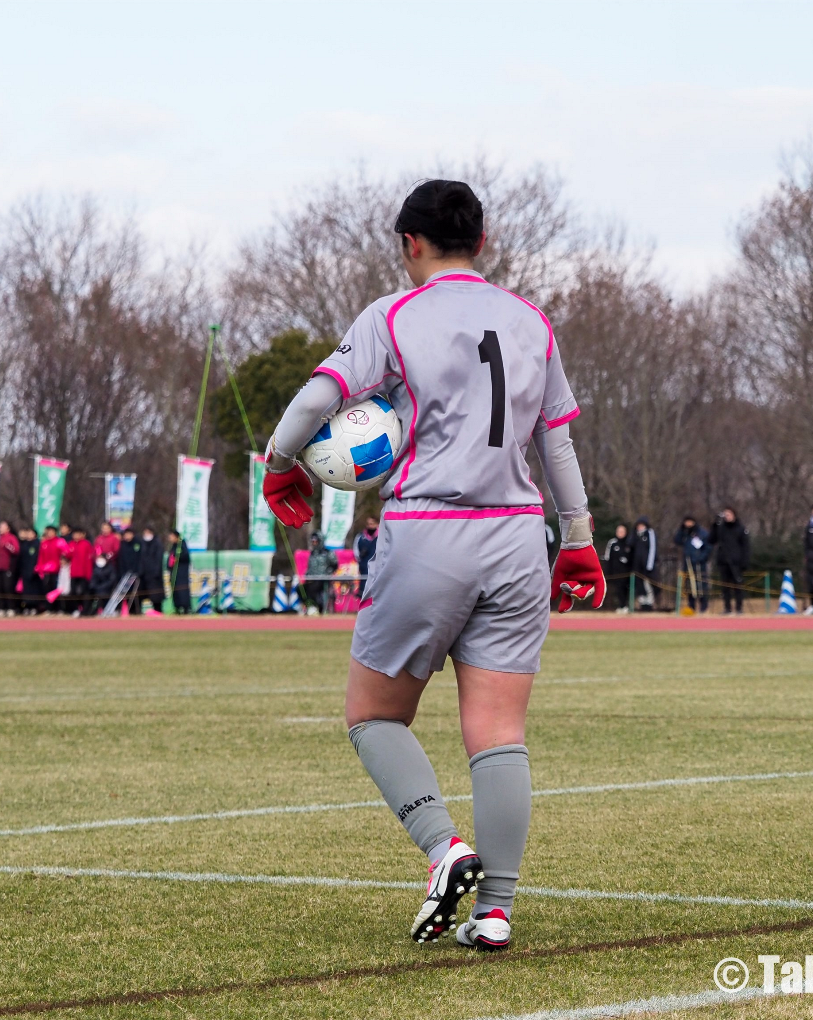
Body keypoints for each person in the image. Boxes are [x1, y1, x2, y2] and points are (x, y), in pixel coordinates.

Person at [261, 179, 602, 951]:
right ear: (480, 242)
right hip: (518, 536)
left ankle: (446, 849)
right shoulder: (530, 321)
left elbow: (320, 397)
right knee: (498, 731)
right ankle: (497, 913)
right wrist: (577, 538)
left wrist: (278, 460)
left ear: (410, 243)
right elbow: (557, 443)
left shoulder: (394, 314)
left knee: (374, 715)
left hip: (429, 529)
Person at [709, 507, 750, 615]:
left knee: (738, 585)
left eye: (729, 514)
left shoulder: (740, 528)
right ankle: (727, 608)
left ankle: (739, 608)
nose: (727, 516)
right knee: (725, 587)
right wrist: (714, 525)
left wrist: (744, 562)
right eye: (725, 514)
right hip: (723, 561)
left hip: (736, 562)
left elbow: (746, 546)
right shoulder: (721, 528)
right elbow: (711, 540)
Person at [673, 515, 711, 613]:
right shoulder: (685, 533)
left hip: (699, 563)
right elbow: (677, 541)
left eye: (690, 522)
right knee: (690, 586)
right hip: (688, 562)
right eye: (686, 522)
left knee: (701, 585)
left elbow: (708, 548)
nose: (688, 524)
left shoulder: (702, 533)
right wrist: (681, 530)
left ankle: (703, 607)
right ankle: (692, 606)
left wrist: (701, 558)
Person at [626, 517, 658, 610]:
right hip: (637, 566)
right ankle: (642, 603)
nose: (640, 527)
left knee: (648, 585)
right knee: (638, 585)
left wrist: (649, 564)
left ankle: (650, 603)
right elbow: (630, 546)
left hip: (648, 566)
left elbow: (653, 549)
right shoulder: (634, 535)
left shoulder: (650, 533)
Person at [302, 532, 338, 615]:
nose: (314, 543)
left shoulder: (328, 553)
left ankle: (320, 607)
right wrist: (307, 575)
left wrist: (328, 573)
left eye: (316, 541)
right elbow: (310, 567)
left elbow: (335, 565)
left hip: (323, 579)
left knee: (314, 588)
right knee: (300, 589)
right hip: (311, 579)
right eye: (312, 541)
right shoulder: (312, 553)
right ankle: (310, 606)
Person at [602, 524, 632, 613]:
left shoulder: (629, 543)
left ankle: (626, 606)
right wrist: (607, 571)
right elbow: (607, 558)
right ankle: (621, 605)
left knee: (626, 589)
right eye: (619, 531)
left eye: (622, 531)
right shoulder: (612, 543)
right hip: (616, 572)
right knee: (618, 589)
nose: (620, 533)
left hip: (627, 572)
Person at [0, 521, 21, 617]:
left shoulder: (11, 538)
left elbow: (16, 550)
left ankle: (11, 608)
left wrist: (7, 545)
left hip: (8, 567)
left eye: (2, 527)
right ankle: (1, 608)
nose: (0, 528)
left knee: (8, 588)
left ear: (8, 528)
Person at [67, 526, 95, 615]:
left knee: (84, 592)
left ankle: (85, 610)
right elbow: (68, 556)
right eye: (74, 534)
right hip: (74, 573)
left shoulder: (86, 544)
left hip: (84, 573)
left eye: (78, 534)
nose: (76, 536)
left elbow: (89, 560)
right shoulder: (71, 544)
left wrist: (88, 574)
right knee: (73, 592)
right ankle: (76, 609)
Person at [136, 527, 164, 613]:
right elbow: (139, 558)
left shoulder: (157, 544)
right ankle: (138, 611)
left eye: (148, 533)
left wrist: (157, 571)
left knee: (155, 594)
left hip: (154, 574)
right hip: (143, 574)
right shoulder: (141, 544)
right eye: (145, 533)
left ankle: (157, 610)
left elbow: (159, 559)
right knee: (141, 593)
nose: (146, 535)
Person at [36, 526, 63, 611]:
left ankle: (58, 608)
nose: (49, 533)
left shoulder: (59, 542)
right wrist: (40, 568)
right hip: (46, 570)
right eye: (48, 531)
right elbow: (41, 557)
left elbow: (65, 555)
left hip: (57, 570)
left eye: (51, 531)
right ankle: (49, 608)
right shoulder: (44, 543)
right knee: (47, 589)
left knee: (56, 589)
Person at [353, 517, 380, 600]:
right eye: (368, 524)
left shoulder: (382, 536)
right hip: (364, 568)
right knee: (363, 592)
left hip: (378, 569)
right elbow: (356, 552)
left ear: (377, 524)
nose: (370, 526)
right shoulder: (360, 537)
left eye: (372, 524)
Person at [167, 529, 192, 614]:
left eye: (171, 536)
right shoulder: (173, 547)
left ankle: (185, 608)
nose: (170, 538)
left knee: (182, 591)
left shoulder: (182, 545)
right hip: (174, 573)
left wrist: (178, 557)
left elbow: (186, 557)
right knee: (175, 591)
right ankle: (177, 607)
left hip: (181, 573)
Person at [17, 526, 41, 613]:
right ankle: (27, 606)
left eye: (31, 533)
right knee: (26, 590)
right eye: (28, 533)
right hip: (24, 570)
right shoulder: (24, 544)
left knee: (34, 589)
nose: (29, 535)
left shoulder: (37, 544)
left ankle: (35, 606)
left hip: (34, 571)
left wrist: (35, 568)